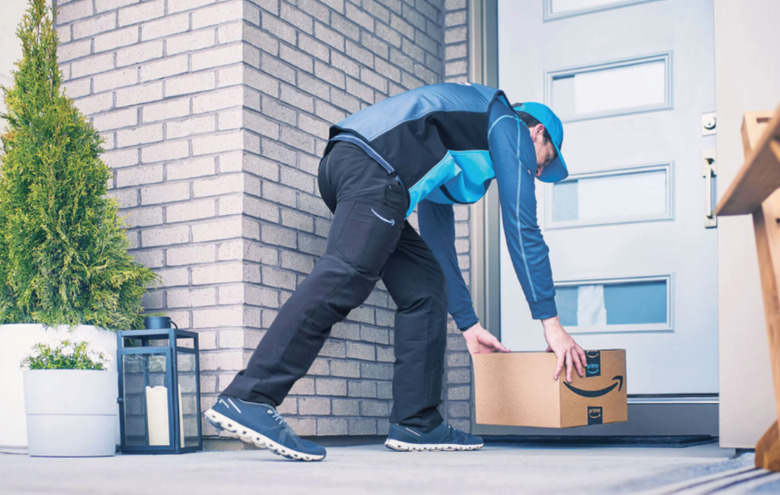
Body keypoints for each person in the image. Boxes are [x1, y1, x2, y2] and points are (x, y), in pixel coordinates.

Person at [205, 82, 587, 461]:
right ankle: (249, 398)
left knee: (425, 282)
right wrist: (550, 324)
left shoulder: (457, 147)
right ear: (537, 132)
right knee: (347, 273)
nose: (538, 171)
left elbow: (439, 246)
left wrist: (468, 326)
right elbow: (521, 224)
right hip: (373, 167)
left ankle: (416, 422)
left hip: (365, 172)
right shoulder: (508, 124)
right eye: (546, 160)